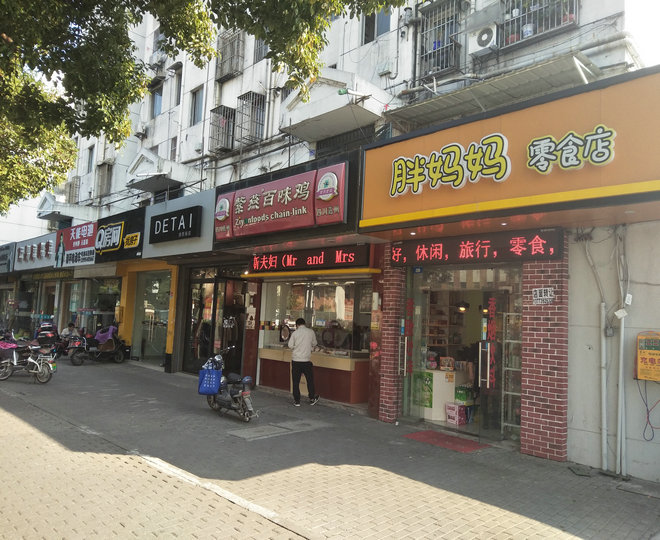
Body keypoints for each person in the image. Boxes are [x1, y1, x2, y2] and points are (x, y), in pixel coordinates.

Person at [287, 318, 320, 407]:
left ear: (297, 325)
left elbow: (290, 345)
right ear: (304, 324)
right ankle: (312, 398)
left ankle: (297, 401)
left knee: (296, 381)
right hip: (306, 361)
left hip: (296, 360)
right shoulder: (310, 332)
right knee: (310, 380)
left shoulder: (295, 333)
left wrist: (296, 347)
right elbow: (314, 343)